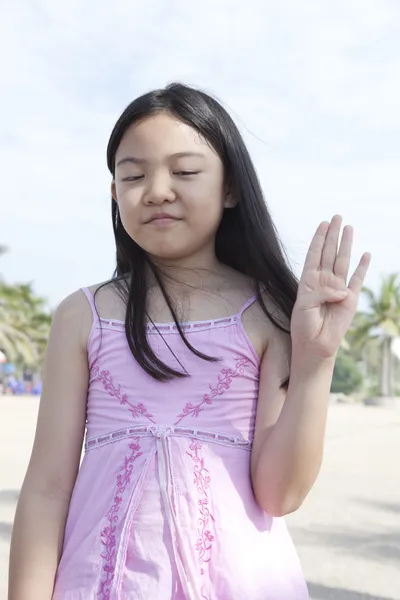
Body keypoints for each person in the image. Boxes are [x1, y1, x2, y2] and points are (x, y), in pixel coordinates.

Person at [8, 83, 371, 600]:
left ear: (230, 188)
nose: (157, 190)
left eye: (185, 171)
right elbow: (47, 487)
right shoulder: (83, 315)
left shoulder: (270, 315)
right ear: (115, 193)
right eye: (133, 175)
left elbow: (279, 492)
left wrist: (316, 361)